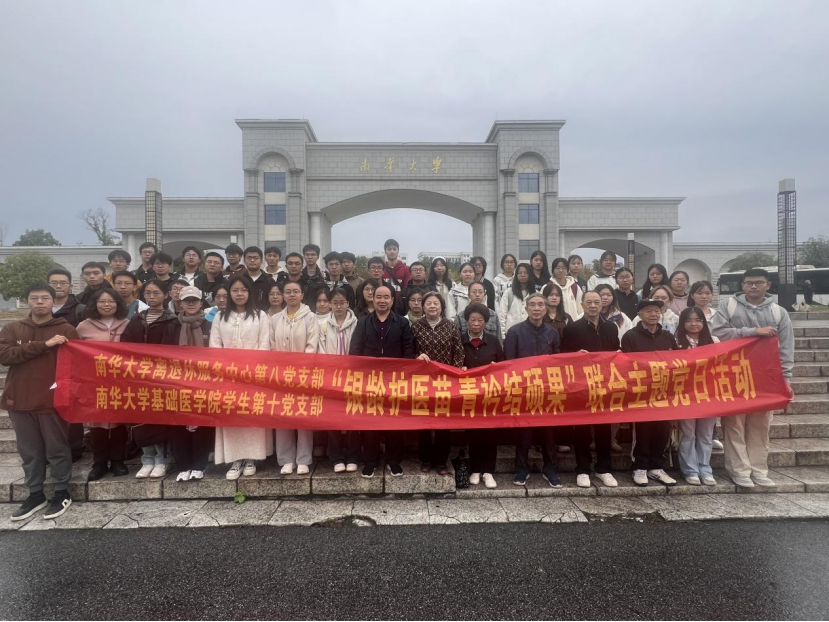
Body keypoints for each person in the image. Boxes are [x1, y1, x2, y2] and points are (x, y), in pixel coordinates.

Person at [711, 268, 794, 489]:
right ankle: (739, 470)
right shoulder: (728, 306)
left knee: (760, 426)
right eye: (749, 283)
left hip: (765, 378)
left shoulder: (779, 312)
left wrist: (786, 378)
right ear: (743, 285)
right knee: (734, 424)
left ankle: (759, 470)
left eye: (758, 282)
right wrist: (753, 331)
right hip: (734, 374)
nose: (753, 286)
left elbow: (786, 348)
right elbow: (718, 332)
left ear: (768, 285)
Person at [1, 284, 78, 522]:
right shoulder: (13, 328)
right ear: (27, 301)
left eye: (45, 298)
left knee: (57, 448)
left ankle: (61, 492)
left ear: (53, 302)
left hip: (52, 400)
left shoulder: (66, 329)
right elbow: (5, 355)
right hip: (20, 399)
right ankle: (35, 494)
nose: (40, 302)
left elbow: (77, 363)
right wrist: (44, 345)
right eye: (35, 298)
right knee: (29, 451)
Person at [210, 275, 273, 480]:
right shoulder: (220, 317)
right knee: (232, 416)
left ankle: (252, 458)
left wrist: (250, 369)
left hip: (253, 376)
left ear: (249, 292)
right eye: (235, 290)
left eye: (243, 290)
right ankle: (235, 459)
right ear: (229, 293)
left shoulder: (260, 316)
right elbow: (215, 346)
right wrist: (227, 369)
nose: (239, 294)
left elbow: (264, 345)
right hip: (227, 376)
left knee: (251, 416)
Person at [349, 284, 415, 478]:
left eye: (386, 297)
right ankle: (370, 461)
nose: (382, 300)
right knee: (371, 421)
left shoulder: (402, 323)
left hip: (395, 380)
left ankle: (394, 461)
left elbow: (408, 350)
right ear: (373, 299)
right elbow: (355, 351)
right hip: (370, 380)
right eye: (378, 297)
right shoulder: (363, 323)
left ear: (392, 301)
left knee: (394, 420)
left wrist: (403, 374)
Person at [561, 291, 620, 488]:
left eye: (596, 302)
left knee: (604, 428)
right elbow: (563, 356)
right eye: (589, 302)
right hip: (582, 386)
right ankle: (583, 469)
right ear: (582, 305)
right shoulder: (573, 328)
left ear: (602, 305)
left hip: (605, 385)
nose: (593, 306)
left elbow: (616, 350)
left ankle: (604, 469)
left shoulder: (611, 327)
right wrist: (575, 355)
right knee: (582, 429)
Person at [121, 279, 178, 478]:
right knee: (141, 417)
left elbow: (174, 350)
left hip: (162, 377)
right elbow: (125, 344)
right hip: (139, 375)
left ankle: (163, 459)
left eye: (156, 293)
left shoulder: (172, 320)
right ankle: (147, 458)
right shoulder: (136, 319)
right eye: (148, 293)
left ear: (166, 295)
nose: (152, 297)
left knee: (161, 417)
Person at [506, 293, 563, 487]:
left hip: (547, 390)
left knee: (548, 432)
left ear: (546, 309)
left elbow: (558, 362)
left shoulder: (552, 333)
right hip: (524, 389)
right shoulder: (514, 332)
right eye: (532, 305)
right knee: (524, 431)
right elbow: (509, 363)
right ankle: (521, 469)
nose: (536, 308)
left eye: (540, 305)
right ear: (526, 308)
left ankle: (550, 469)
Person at [76, 288, 131, 482]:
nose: (107, 305)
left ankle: (118, 460)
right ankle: (99, 462)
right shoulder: (83, 326)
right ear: (95, 304)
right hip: (94, 382)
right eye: (102, 301)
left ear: (118, 304)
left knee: (119, 422)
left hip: (121, 381)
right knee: (96, 423)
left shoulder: (127, 324)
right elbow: (76, 354)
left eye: (111, 301)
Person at [622, 299, 678, 487]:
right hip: (641, 394)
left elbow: (677, 362)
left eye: (656, 311)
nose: (653, 314)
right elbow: (626, 365)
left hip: (663, 393)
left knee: (662, 430)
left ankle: (657, 467)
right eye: (648, 311)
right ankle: (640, 466)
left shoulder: (668, 337)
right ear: (639, 314)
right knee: (643, 431)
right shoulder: (630, 336)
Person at [162, 286, 214, 482]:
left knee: (202, 420)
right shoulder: (171, 326)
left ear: (201, 302)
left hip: (204, 380)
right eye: (187, 301)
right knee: (179, 421)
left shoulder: (209, 325)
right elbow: (163, 354)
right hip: (177, 379)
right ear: (180, 303)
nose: (191, 304)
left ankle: (199, 464)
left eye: (194, 300)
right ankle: (183, 466)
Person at [412, 291, 465, 475]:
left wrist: (454, 373)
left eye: (436, 303)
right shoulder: (416, 326)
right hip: (422, 381)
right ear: (423, 307)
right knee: (424, 421)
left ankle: (441, 461)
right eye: (429, 303)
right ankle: (425, 459)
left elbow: (459, 352)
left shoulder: (450, 326)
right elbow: (409, 349)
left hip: (444, 382)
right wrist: (416, 356)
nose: (432, 306)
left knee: (443, 421)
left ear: (442, 306)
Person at [271, 280, 320, 475]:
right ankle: (286, 459)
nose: (292, 295)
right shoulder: (275, 319)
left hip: (303, 376)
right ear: (283, 295)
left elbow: (312, 346)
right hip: (281, 377)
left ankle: (303, 459)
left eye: (295, 291)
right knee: (283, 416)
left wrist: (300, 372)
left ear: (302, 295)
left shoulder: (311, 317)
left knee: (303, 416)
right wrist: (281, 372)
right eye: (288, 292)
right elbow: (272, 347)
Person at [462, 303, 505, 489]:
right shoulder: (460, 340)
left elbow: (503, 364)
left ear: (486, 322)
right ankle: (475, 469)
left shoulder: (493, 341)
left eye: (480, 320)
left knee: (490, 433)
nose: (476, 323)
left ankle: (488, 471)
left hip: (489, 396)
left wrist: (496, 368)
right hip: (469, 395)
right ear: (467, 321)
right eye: (472, 320)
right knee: (473, 433)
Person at [675, 307, 720, 486]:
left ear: (704, 322)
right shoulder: (676, 342)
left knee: (706, 434)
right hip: (685, 395)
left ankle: (705, 469)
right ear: (682, 323)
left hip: (708, 394)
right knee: (688, 434)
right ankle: (690, 470)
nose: (693, 324)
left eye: (697, 320)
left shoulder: (714, 341)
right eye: (688, 320)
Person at [318, 287, 361, 473]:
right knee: (333, 417)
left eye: (342, 302)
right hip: (332, 377)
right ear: (330, 304)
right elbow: (320, 351)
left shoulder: (358, 324)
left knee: (353, 416)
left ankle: (353, 455)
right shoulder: (323, 325)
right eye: (335, 302)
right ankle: (336, 457)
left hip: (353, 377)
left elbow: (359, 349)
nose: (339, 306)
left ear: (348, 304)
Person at [499, 262, 532, 339]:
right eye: (519, 273)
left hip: (530, 334)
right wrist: (503, 335)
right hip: (511, 334)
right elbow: (502, 315)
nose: (522, 275)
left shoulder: (535, 293)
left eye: (526, 273)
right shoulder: (509, 293)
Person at [242, 246, 276, 312]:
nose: (252, 260)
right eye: (249, 258)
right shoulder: (241, 280)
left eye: (256, 258)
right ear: (244, 261)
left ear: (261, 261)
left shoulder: (269, 280)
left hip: (264, 316)